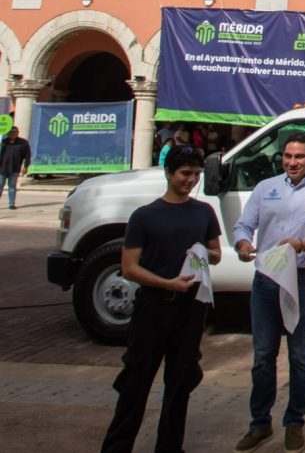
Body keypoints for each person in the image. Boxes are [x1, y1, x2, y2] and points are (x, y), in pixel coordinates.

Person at [100, 145, 222, 453]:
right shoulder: (144, 216)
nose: (191, 180)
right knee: (135, 382)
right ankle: (117, 446)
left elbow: (216, 254)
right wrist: (165, 282)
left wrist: (201, 252)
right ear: (168, 173)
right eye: (185, 174)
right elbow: (129, 267)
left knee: (180, 383)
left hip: (191, 309)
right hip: (153, 308)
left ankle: (170, 446)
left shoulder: (203, 212)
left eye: (196, 174)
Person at [232, 131, 305, 453]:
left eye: (300, 157)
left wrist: (304, 245)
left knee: (300, 354)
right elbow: (243, 225)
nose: (293, 162)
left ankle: (295, 422)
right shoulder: (267, 188)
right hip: (266, 280)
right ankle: (259, 424)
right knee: (263, 355)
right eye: (288, 156)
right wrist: (242, 244)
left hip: (303, 279)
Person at [0, 125, 31, 209]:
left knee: (12, 186)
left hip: (14, 169)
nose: (12, 134)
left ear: (17, 133)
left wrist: (26, 166)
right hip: (2, 169)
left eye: (14, 132)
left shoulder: (23, 143)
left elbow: (27, 155)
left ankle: (11, 204)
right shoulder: (3, 142)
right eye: (10, 132)